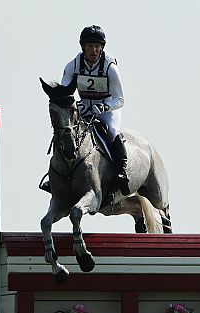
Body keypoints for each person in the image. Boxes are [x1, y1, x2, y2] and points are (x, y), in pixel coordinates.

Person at [40, 25, 130, 196]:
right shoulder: (72, 65)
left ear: (102, 47)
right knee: (66, 131)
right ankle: (54, 177)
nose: (94, 50)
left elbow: (120, 99)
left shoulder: (110, 67)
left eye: (97, 46)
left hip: (107, 108)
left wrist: (104, 107)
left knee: (111, 132)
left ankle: (121, 172)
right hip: (83, 108)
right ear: (83, 47)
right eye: (90, 46)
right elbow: (65, 93)